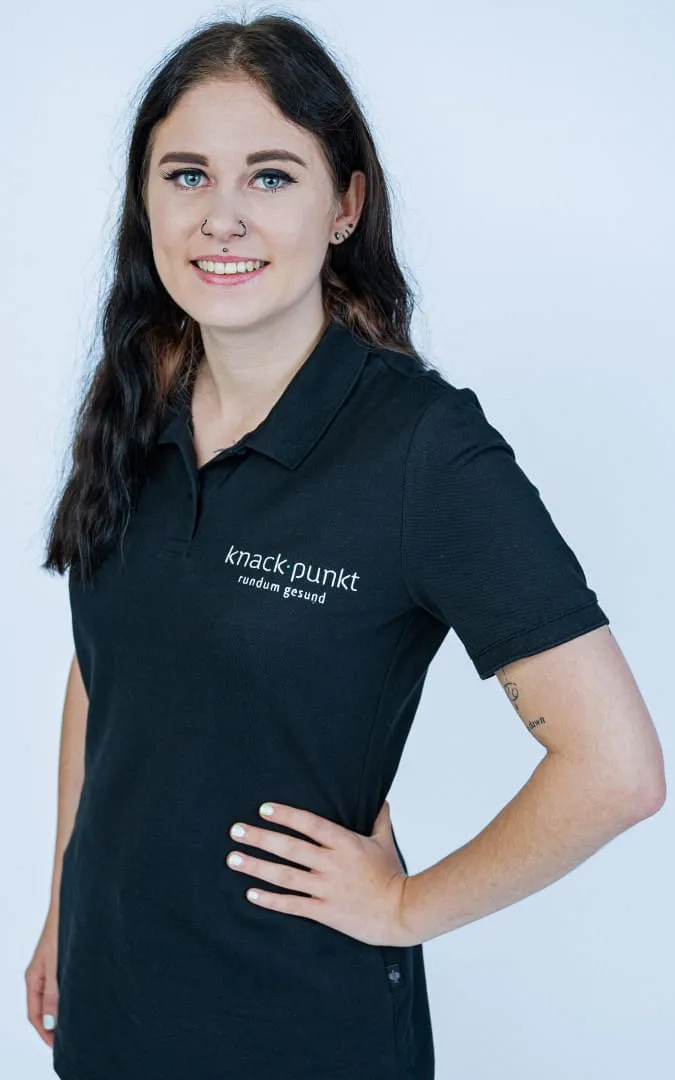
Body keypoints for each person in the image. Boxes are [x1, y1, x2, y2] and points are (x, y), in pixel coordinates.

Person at [25, 12, 666, 1080]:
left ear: (345, 206)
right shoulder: (139, 402)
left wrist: (407, 905)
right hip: (113, 1010)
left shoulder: (423, 450)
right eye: (187, 175)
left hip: (300, 1033)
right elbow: (108, 670)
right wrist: (62, 902)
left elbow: (617, 769)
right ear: (145, 201)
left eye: (271, 176)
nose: (221, 216)